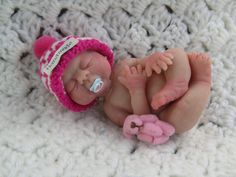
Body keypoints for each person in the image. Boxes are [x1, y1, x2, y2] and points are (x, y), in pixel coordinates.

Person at [34, 35, 211, 144]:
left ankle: (177, 84)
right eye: (72, 85)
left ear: (101, 54)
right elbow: (142, 119)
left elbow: (145, 62)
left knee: (176, 54)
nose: (83, 77)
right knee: (180, 123)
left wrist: (154, 60)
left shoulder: (123, 66)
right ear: (71, 100)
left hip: (164, 79)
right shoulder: (110, 109)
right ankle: (202, 82)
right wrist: (137, 90)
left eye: (86, 64)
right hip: (165, 113)